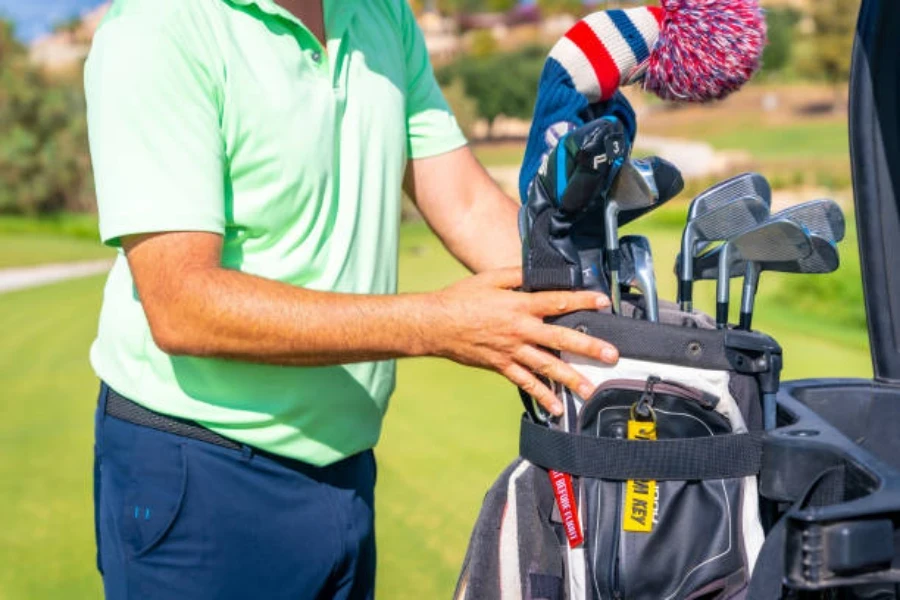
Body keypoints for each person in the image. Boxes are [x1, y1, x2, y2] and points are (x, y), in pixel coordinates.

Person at [84, 0, 620, 598]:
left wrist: (603, 311)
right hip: (197, 475)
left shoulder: (380, 14)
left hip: (345, 472)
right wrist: (435, 324)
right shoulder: (158, 25)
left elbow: (467, 203)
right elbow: (182, 303)